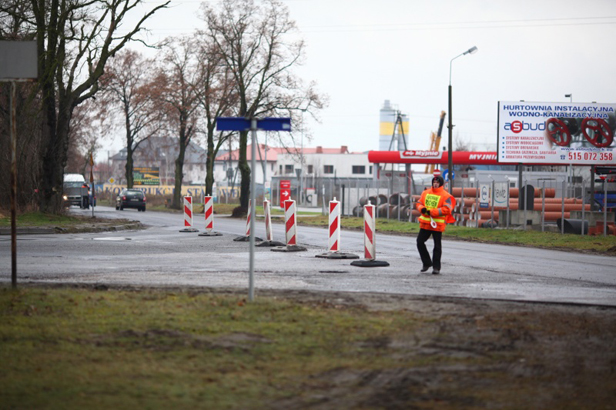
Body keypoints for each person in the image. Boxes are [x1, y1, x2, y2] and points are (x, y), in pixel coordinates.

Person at [415, 175, 456, 274]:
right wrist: (422, 209)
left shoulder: (446, 196)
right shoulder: (425, 192)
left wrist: (432, 212)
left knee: (437, 246)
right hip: (426, 223)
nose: (435, 184)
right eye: (434, 182)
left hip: (437, 224)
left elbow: (447, 209)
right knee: (419, 242)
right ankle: (427, 263)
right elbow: (418, 203)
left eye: (437, 182)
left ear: (441, 183)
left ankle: (436, 267)